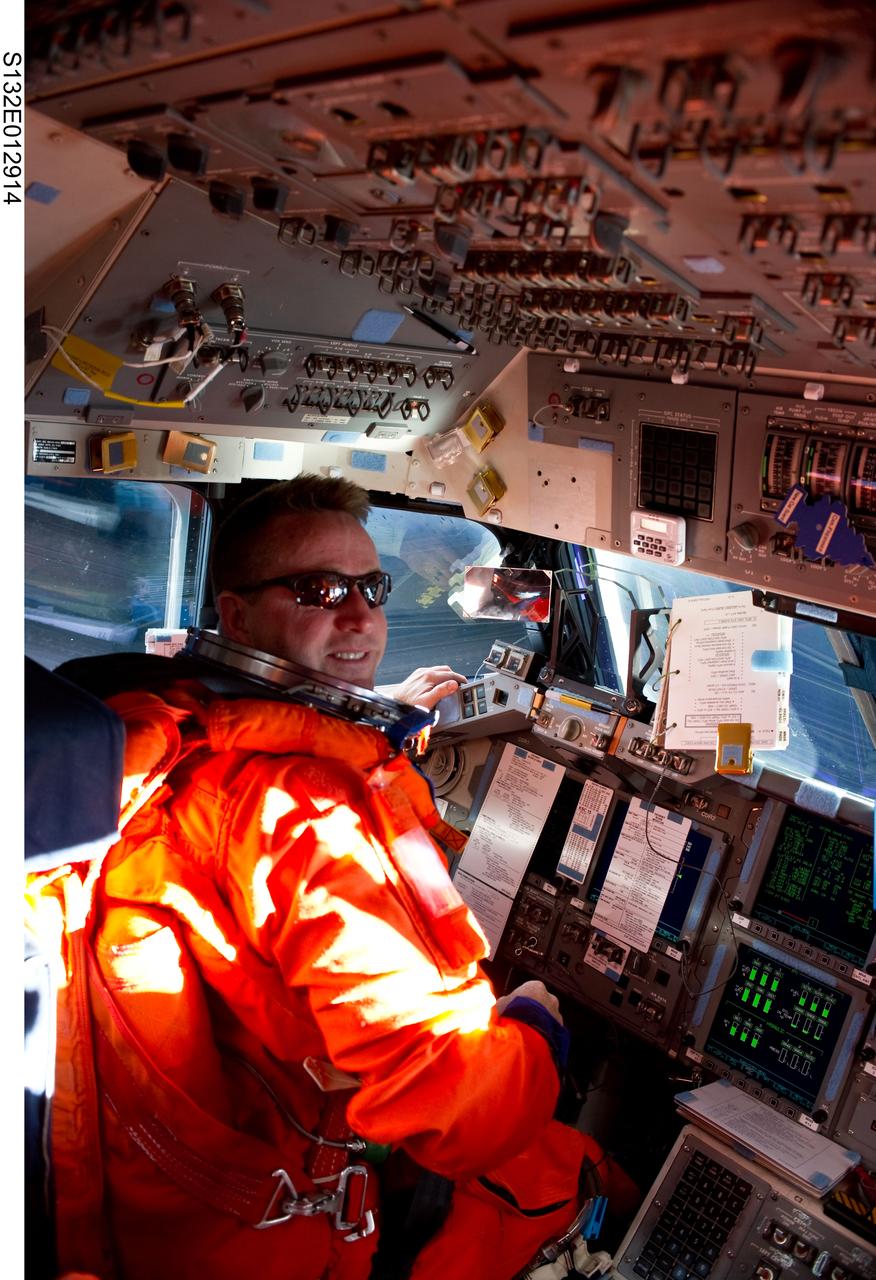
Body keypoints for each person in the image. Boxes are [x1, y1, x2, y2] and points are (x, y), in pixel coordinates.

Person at [44, 475, 636, 1280]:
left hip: (161, 1198)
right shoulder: (303, 809)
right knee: (576, 1177)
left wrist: (373, 714)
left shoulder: (168, 725)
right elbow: (452, 1104)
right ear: (237, 614)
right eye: (318, 590)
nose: (358, 615)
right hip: (279, 1234)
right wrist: (538, 1034)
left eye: (371, 586)